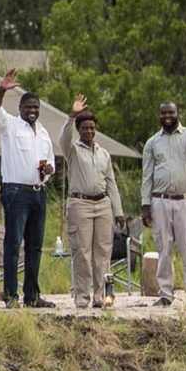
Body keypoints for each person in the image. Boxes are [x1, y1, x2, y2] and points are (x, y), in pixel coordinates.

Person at [0, 68, 57, 308]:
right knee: (14, 244)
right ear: (20, 109)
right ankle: (10, 296)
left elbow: (51, 163)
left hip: (39, 192)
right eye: (28, 107)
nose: (33, 111)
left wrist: (48, 170)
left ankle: (32, 296)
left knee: (35, 246)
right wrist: (1, 90)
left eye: (36, 107)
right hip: (16, 192)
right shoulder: (11, 126)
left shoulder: (44, 132)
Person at [139, 89, 186, 306]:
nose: (167, 116)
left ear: (178, 113)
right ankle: (165, 294)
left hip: (185, 201)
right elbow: (147, 176)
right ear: (159, 115)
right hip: (160, 201)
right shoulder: (152, 143)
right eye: (163, 113)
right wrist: (145, 205)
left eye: (170, 113)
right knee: (164, 249)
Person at [55, 98, 127, 308]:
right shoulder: (73, 150)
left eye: (92, 128)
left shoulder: (103, 153)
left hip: (102, 204)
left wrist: (118, 210)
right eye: (85, 128)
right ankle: (82, 297)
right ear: (79, 129)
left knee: (103, 253)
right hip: (80, 204)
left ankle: (101, 297)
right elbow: (63, 139)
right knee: (82, 253)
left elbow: (111, 182)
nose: (89, 131)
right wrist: (71, 116)